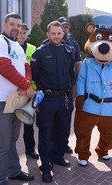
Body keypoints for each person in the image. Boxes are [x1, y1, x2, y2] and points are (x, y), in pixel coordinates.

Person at [0, 12, 35, 184]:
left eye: (18, 25)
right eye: (12, 24)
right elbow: (4, 68)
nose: (16, 28)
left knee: (12, 139)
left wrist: (25, 83)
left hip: (16, 98)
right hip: (0, 99)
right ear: (5, 25)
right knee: (2, 143)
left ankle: (14, 171)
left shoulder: (17, 46)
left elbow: (26, 68)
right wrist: (26, 86)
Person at [30, 20, 77, 183]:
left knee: (63, 130)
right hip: (48, 99)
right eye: (53, 33)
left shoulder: (69, 51)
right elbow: (34, 75)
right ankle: (46, 167)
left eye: (59, 33)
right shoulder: (40, 53)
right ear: (48, 34)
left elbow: (72, 73)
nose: (56, 36)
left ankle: (57, 157)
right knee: (46, 133)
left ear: (63, 33)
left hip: (65, 98)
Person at [58, 16, 83, 154]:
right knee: (54, 119)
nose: (64, 29)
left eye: (66, 26)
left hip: (68, 88)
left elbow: (78, 63)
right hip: (54, 89)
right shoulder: (48, 43)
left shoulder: (73, 43)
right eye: (62, 26)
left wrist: (81, 81)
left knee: (66, 118)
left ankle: (64, 143)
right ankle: (54, 144)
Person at [17, 23, 39, 159]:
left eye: (24, 32)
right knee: (11, 126)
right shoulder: (9, 47)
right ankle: (11, 153)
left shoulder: (33, 48)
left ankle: (30, 149)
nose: (22, 35)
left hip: (30, 92)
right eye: (20, 32)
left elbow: (36, 70)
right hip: (14, 92)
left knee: (28, 123)